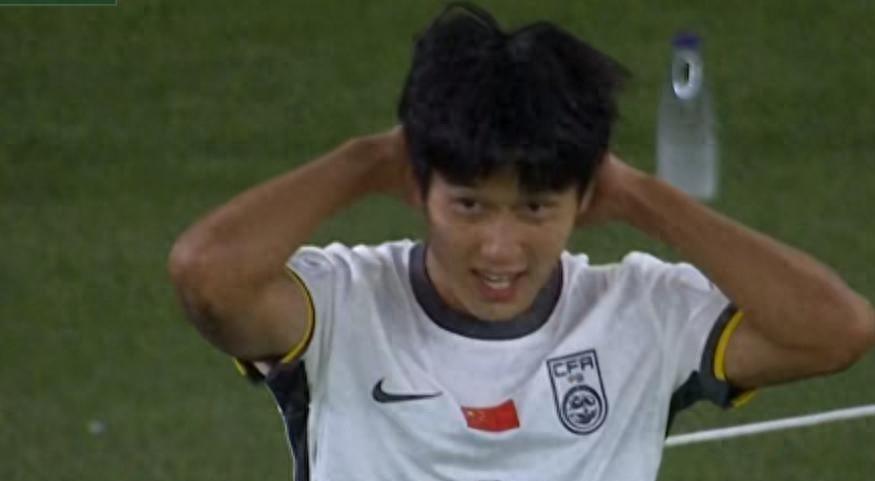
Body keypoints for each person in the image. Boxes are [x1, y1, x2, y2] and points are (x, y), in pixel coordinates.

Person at [168, 3, 875, 480]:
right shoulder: (342, 304)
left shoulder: (643, 314)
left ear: (584, 198)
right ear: (417, 187)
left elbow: (836, 331)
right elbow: (206, 277)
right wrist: (366, 160)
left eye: (535, 208)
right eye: (469, 206)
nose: (499, 250)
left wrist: (642, 197)